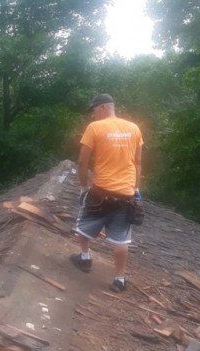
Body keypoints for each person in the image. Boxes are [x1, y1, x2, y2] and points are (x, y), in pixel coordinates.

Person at [70, 93, 144, 292]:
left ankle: (85, 258)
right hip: (126, 194)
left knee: (83, 226)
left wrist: (83, 187)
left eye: (94, 110)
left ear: (102, 108)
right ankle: (119, 279)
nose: (93, 115)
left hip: (100, 190)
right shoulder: (134, 128)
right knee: (121, 240)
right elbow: (137, 162)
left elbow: (82, 162)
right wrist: (136, 188)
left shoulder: (94, 128)